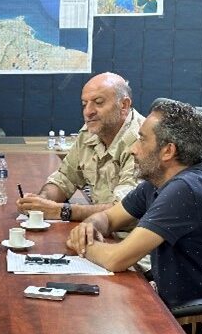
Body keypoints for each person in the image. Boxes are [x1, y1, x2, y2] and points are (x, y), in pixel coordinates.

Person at [67, 100, 202, 307]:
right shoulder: (158, 182)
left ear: (168, 151)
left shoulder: (186, 190)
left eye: (141, 140)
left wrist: (83, 244)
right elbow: (109, 218)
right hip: (180, 310)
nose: (133, 149)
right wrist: (90, 226)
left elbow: (117, 259)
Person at [17, 72, 145, 222]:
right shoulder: (91, 131)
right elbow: (65, 178)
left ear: (124, 105)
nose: (88, 111)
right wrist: (41, 201)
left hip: (131, 237)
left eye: (98, 102)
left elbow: (124, 210)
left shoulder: (143, 141)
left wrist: (60, 211)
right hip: (100, 228)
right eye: (84, 104)